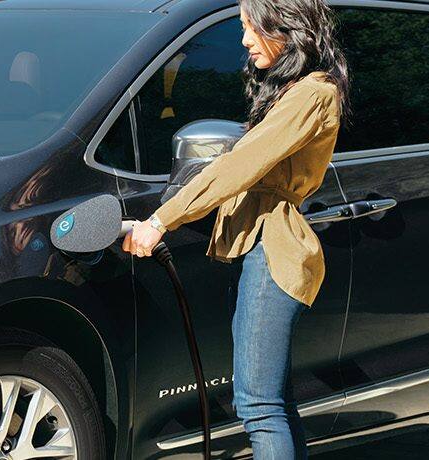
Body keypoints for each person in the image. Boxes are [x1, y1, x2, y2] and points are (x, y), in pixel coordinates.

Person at [120, 0, 351, 458]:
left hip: (274, 252)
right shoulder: (295, 91)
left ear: (282, 25)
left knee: (258, 405)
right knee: (275, 402)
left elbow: (241, 164)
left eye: (250, 27)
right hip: (259, 247)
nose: (243, 40)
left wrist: (160, 221)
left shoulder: (314, 92)